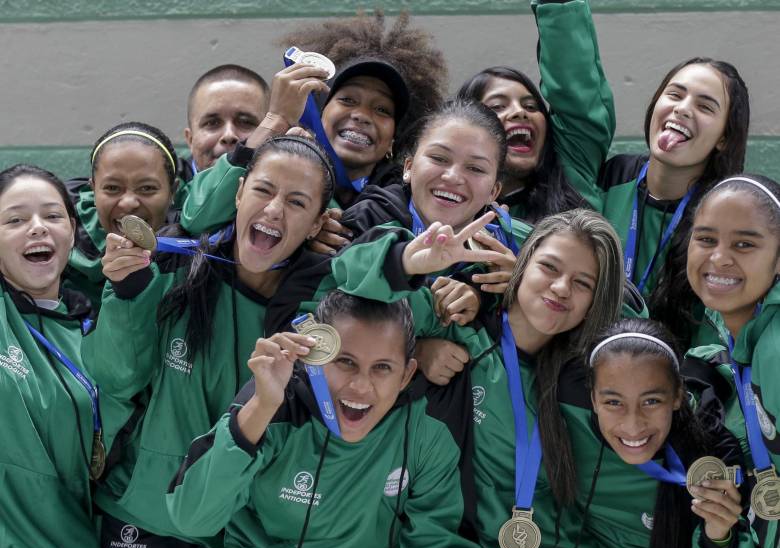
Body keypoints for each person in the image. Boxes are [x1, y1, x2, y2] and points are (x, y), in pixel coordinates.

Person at [81, 136, 335, 548]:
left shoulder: (324, 307)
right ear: (238, 192)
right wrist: (127, 291)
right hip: (145, 519)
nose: (273, 209)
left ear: (316, 223)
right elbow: (117, 378)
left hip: (246, 538)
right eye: (263, 190)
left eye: (296, 201)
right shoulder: (174, 268)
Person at [167, 291, 484, 548]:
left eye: (382, 368)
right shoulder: (275, 401)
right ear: (315, 356)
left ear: (406, 375)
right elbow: (191, 517)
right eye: (346, 361)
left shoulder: (426, 431)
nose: (361, 386)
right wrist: (262, 407)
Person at [390, 209, 627, 548]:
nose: (561, 288)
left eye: (583, 283)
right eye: (549, 267)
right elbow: (340, 311)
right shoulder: (451, 318)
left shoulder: (587, 386)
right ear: (519, 265)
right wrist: (409, 350)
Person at [179, 11, 446, 237]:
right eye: (348, 99)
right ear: (318, 112)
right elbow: (197, 217)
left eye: (381, 109)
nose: (362, 115)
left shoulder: (407, 196)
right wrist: (275, 119)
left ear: (393, 137)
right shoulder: (272, 164)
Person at [558, 317, 754, 548]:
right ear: (593, 399)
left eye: (651, 401)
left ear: (677, 396)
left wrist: (718, 538)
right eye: (613, 402)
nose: (633, 426)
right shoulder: (563, 420)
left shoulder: (713, 455)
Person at [598, 57, 750, 347]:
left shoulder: (725, 219)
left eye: (705, 106)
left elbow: (717, 338)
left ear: (723, 137)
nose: (682, 109)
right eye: (675, 95)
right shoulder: (611, 178)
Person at [0, 164, 106, 548]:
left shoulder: (94, 333)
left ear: (73, 231)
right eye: (15, 219)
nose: (38, 227)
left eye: (52, 215)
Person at [684, 174, 780, 548]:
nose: (719, 257)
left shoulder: (773, 349)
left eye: (744, 244)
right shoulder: (727, 347)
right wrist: (719, 538)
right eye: (706, 239)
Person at [458, 0, 613, 223]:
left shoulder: (571, 175)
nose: (520, 112)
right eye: (498, 106)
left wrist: (558, 6)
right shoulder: (447, 200)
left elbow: (576, 92)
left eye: (531, 106)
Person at [64, 122, 180, 307]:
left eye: (147, 188)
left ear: (172, 192)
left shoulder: (190, 257)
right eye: (112, 188)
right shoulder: (58, 251)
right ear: (93, 190)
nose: (128, 203)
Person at [182, 64, 270, 180]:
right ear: (190, 139)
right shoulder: (162, 191)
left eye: (245, 122)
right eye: (212, 123)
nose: (229, 136)